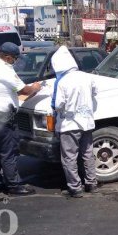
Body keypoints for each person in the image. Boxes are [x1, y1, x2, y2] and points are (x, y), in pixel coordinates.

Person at [0, 42, 42, 196]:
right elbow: (25, 89)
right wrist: (36, 87)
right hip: (1, 116)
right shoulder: (4, 69)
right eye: (15, 58)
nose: (16, 61)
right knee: (8, 152)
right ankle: (13, 185)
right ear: (7, 57)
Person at [50, 46, 98, 198]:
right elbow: (95, 93)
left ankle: (75, 187)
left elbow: (58, 105)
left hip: (69, 124)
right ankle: (91, 183)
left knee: (69, 157)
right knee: (88, 154)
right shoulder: (88, 77)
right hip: (87, 122)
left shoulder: (62, 82)